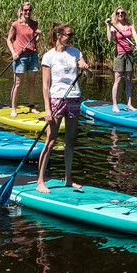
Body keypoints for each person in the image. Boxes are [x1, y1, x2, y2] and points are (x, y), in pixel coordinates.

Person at [34, 23, 88, 193]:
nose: (70, 38)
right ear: (58, 35)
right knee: (50, 141)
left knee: (70, 141)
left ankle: (68, 179)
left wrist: (86, 69)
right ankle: (40, 181)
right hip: (57, 99)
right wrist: (47, 109)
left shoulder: (75, 52)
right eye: (68, 35)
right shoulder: (48, 56)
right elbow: (45, 84)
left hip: (74, 98)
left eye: (72, 35)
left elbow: (87, 72)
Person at [5, 2, 40, 113]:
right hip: (20, 57)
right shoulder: (15, 24)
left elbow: (34, 40)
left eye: (29, 10)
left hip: (33, 55)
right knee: (18, 84)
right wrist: (13, 53)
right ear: (21, 11)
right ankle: (13, 108)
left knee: (32, 82)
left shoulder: (34, 24)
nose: (27, 12)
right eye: (25, 10)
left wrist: (38, 35)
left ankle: (31, 106)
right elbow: (9, 40)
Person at [104, 7, 137, 110]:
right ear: (116, 15)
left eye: (122, 13)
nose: (120, 14)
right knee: (118, 79)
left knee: (129, 79)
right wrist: (108, 26)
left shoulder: (130, 26)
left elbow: (135, 37)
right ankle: (115, 105)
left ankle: (129, 104)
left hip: (129, 54)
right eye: (118, 13)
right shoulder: (114, 26)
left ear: (125, 14)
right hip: (119, 54)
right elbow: (110, 39)